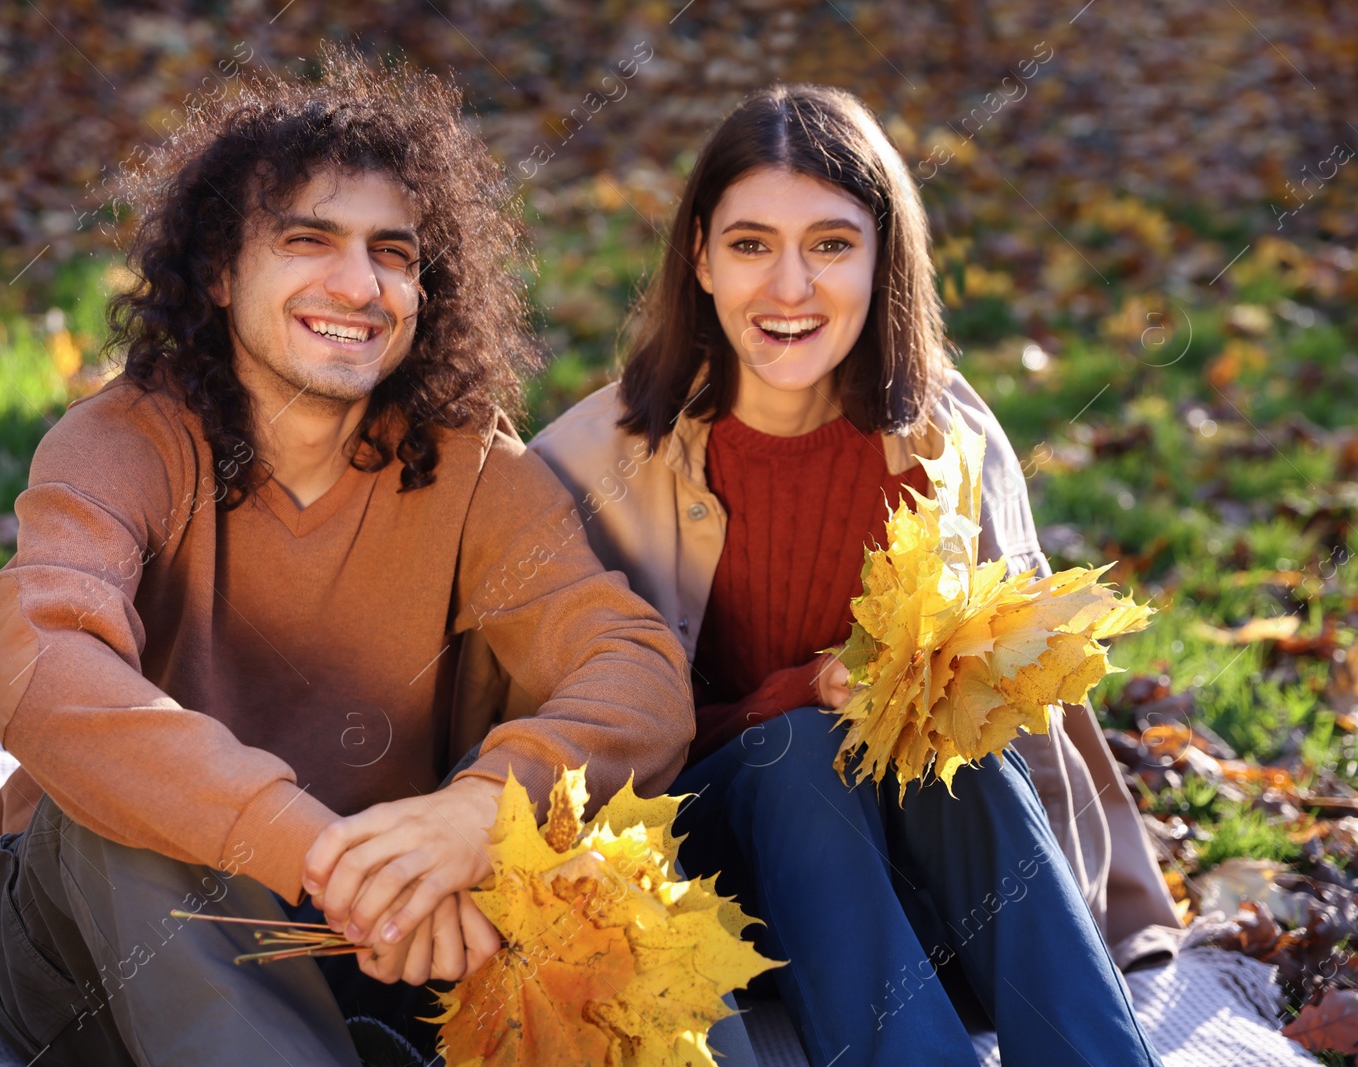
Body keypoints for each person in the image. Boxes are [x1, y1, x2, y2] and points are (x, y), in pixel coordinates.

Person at [0, 50, 748, 1067]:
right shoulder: (122, 444)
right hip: (93, 943)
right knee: (111, 805)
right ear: (218, 270)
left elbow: (633, 670)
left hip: (380, 932)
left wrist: (477, 812)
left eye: (391, 250)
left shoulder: (469, 467)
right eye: (307, 239)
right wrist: (316, 848)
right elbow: (47, 674)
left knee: (594, 876)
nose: (358, 282)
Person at [460, 85, 1179, 1065]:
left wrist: (1090, 897)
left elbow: (1027, 716)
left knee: (945, 736)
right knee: (798, 750)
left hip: (920, 896)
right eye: (751, 244)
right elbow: (558, 766)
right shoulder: (588, 466)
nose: (789, 287)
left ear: (882, 257)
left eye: (831, 245)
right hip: (698, 891)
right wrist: (794, 697)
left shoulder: (945, 437)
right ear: (701, 258)